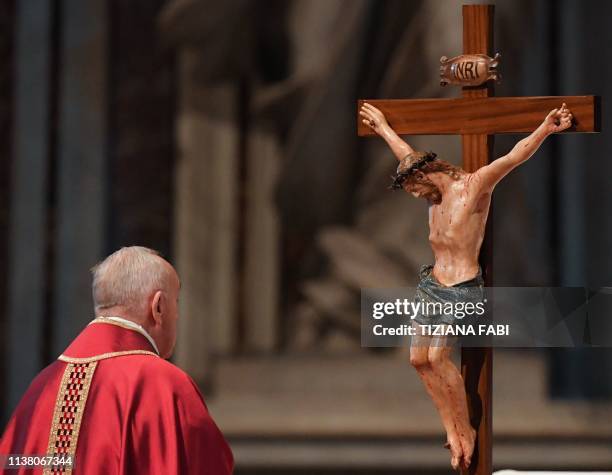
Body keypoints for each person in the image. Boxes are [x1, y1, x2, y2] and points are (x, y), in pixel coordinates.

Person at [359, 102, 573, 470]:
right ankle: (449, 427)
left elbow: (513, 157)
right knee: (418, 359)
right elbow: (405, 153)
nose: (414, 194)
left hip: (461, 285)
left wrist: (545, 129)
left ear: (429, 174)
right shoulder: (432, 194)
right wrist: (381, 127)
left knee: (438, 356)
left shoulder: (473, 187)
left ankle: (466, 430)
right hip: (433, 282)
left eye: (414, 186)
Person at [0, 246, 234, 474]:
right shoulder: (165, 385)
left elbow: (10, 462)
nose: (178, 315)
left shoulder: (41, 387)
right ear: (158, 306)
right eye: (177, 303)